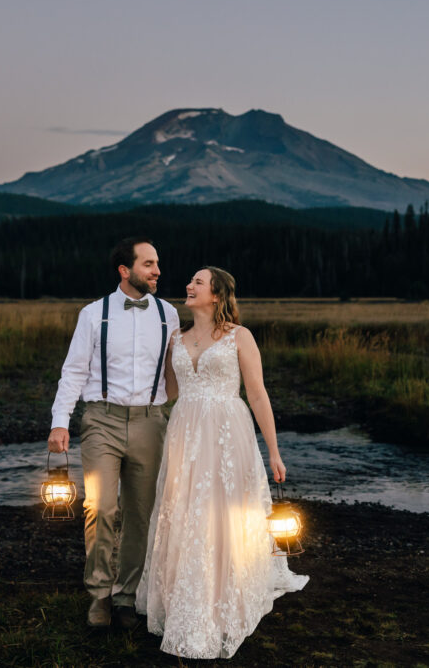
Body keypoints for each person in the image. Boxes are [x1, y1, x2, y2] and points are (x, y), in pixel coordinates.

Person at [135, 266, 309, 659]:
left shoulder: (238, 337)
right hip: (185, 432)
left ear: (216, 294)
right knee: (185, 511)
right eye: (190, 281)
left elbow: (258, 395)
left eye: (197, 282)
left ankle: (221, 596)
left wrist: (274, 451)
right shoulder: (176, 337)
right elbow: (170, 390)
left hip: (227, 434)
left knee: (221, 512)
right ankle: (183, 597)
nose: (188, 286)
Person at [48, 237, 180, 628]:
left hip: (150, 422)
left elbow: (178, 369)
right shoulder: (93, 314)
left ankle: (126, 596)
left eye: (157, 264)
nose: (157, 271)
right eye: (149, 264)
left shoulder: (168, 314)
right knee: (100, 507)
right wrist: (60, 420)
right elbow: (74, 370)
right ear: (125, 270)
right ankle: (99, 595)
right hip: (101, 420)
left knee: (141, 514)